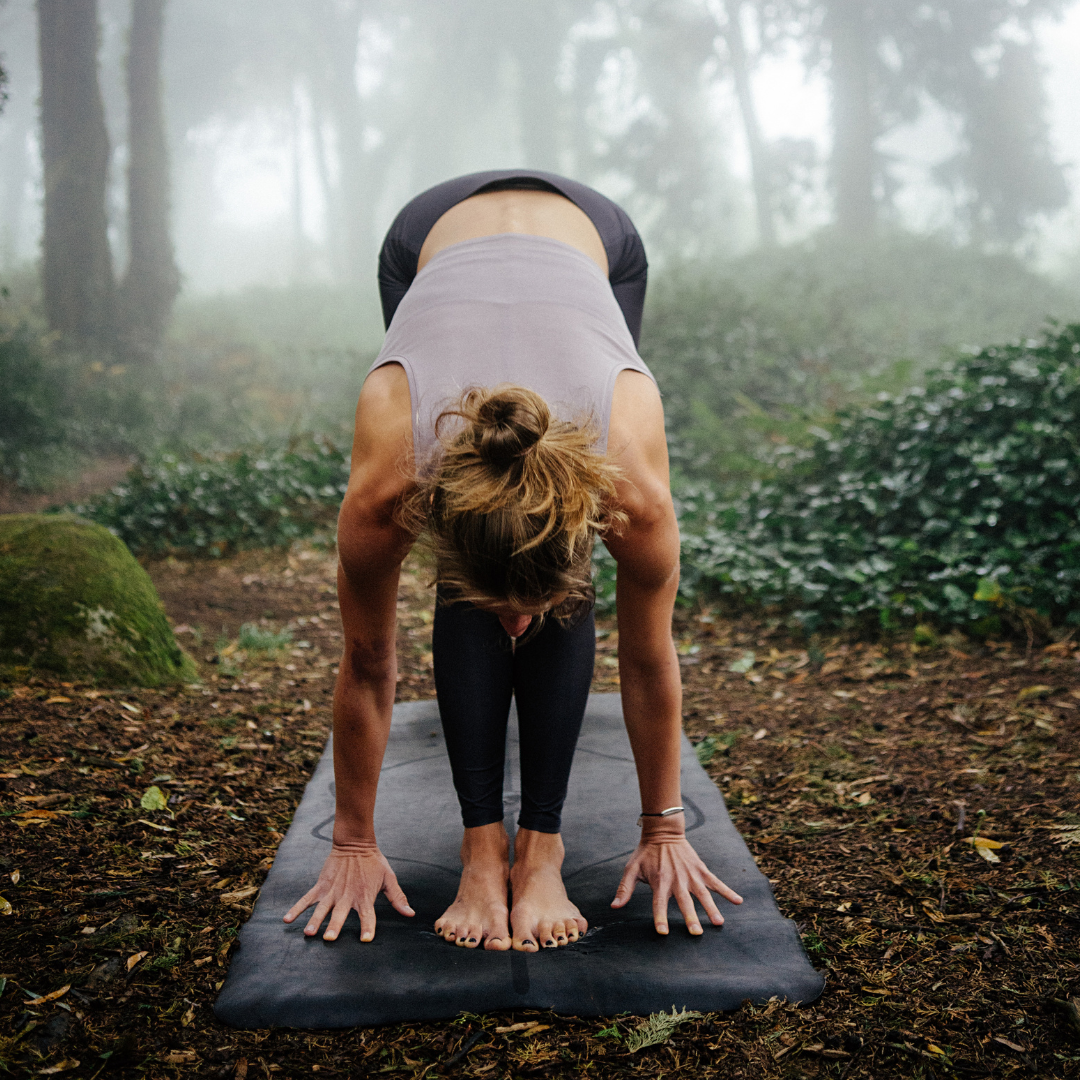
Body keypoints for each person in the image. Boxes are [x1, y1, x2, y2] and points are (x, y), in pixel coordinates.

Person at [284, 170, 742, 953]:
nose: (520, 625)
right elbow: (366, 662)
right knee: (486, 549)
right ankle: (481, 846)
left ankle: (542, 850)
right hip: (426, 236)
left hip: (594, 237)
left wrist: (664, 826)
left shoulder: (628, 482)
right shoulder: (391, 481)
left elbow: (645, 655)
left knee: (520, 570)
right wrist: (353, 841)